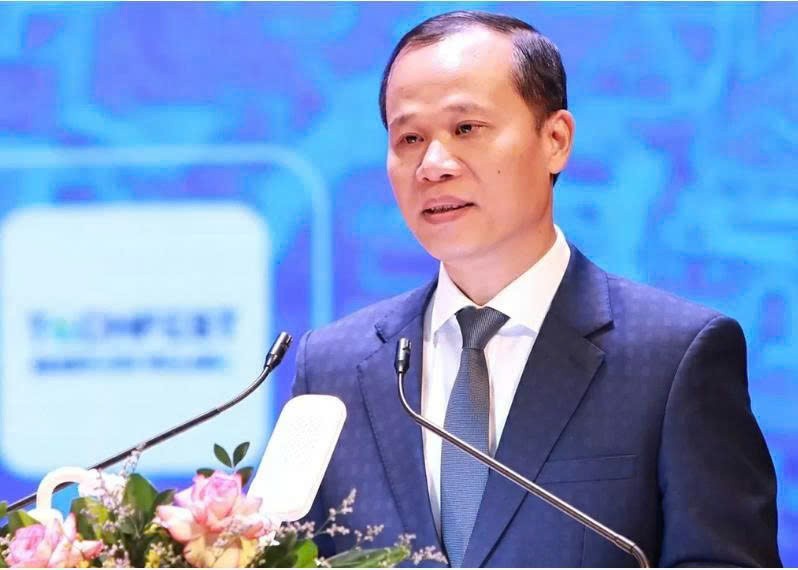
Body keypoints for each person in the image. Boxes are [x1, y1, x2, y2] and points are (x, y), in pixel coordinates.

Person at [291, 10, 781, 567]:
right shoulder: (333, 367)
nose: (433, 165)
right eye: (409, 138)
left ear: (556, 140)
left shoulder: (672, 357)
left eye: (466, 129)